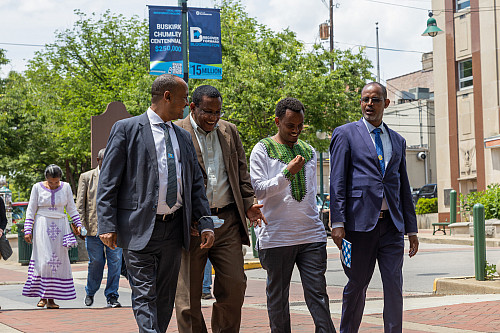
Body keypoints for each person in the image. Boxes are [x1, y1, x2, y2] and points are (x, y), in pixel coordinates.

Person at [96, 74, 215, 333]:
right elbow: (108, 182)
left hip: (173, 230)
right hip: (138, 228)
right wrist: (106, 224)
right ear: (167, 96)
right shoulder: (127, 129)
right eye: (184, 99)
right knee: (144, 296)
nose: (186, 105)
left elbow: (195, 184)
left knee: (164, 298)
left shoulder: (183, 137)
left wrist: (205, 222)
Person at [329, 82, 419, 333]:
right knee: (357, 285)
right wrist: (337, 222)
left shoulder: (397, 140)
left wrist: (411, 230)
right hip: (359, 225)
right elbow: (337, 181)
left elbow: (403, 187)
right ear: (360, 102)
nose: (369, 104)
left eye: (375, 100)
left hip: (391, 226)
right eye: (365, 99)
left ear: (386, 104)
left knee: (394, 286)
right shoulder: (345, 133)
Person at [175, 85, 265, 333]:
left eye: (218, 112)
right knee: (188, 296)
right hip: (193, 224)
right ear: (192, 107)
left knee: (235, 285)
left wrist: (248, 205)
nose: (214, 118)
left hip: (227, 221)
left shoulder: (229, 131)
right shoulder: (176, 131)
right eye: (208, 112)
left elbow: (241, 172)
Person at [250, 97, 336, 333]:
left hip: (311, 236)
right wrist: (286, 174)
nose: (296, 131)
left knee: (318, 295)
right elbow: (257, 189)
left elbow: (310, 194)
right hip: (277, 238)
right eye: (290, 126)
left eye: (300, 126)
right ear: (277, 121)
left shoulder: (309, 150)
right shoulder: (262, 149)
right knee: (278, 299)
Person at [22, 164, 82, 309]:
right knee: (44, 261)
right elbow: (31, 209)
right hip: (43, 225)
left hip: (61, 226)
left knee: (57, 262)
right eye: (51, 182)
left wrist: (78, 223)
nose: (54, 185)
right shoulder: (37, 188)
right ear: (46, 179)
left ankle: (51, 299)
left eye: (56, 182)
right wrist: (27, 229)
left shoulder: (66, 187)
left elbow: (71, 208)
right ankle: (42, 295)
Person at [77, 148, 122, 308]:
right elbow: (80, 204)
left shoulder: (118, 175)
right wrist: (80, 225)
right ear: (98, 160)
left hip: (115, 229)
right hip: (93, 229)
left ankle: (112, 295)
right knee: (96, 262)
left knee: (115, 262)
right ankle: (90, 291)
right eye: (105, 160)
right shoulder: (87, 177)